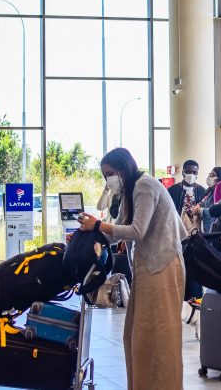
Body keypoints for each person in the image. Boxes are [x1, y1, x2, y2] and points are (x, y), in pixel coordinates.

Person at [77, 148, 186, 390]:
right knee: (138, 337)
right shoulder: (130, 191)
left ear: (123, 168)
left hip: (162, 266)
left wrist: (98, 225)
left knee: (159, 339)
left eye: (110, 174)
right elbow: (117, 234)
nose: (108, 180)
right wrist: (91, 234)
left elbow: (137, 231)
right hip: (147, 269)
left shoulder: (145, 186)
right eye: (105, 176)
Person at [166, 159, 205, 300]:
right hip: (177, 233)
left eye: (194, 172)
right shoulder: (173, 190)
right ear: (183, 172)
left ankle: (194, 298)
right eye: (188, 171)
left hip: (195, 234)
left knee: (194, 268)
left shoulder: (202, 191)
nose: (191, 174)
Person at [197, 167, 221, 232]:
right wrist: (199, 205)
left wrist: (200, 210)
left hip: (215, 227)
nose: (210, 177)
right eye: (210, 174)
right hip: (206, 225)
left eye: (212, 175)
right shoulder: (210, 191)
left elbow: (218, 210)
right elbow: (205, 203)